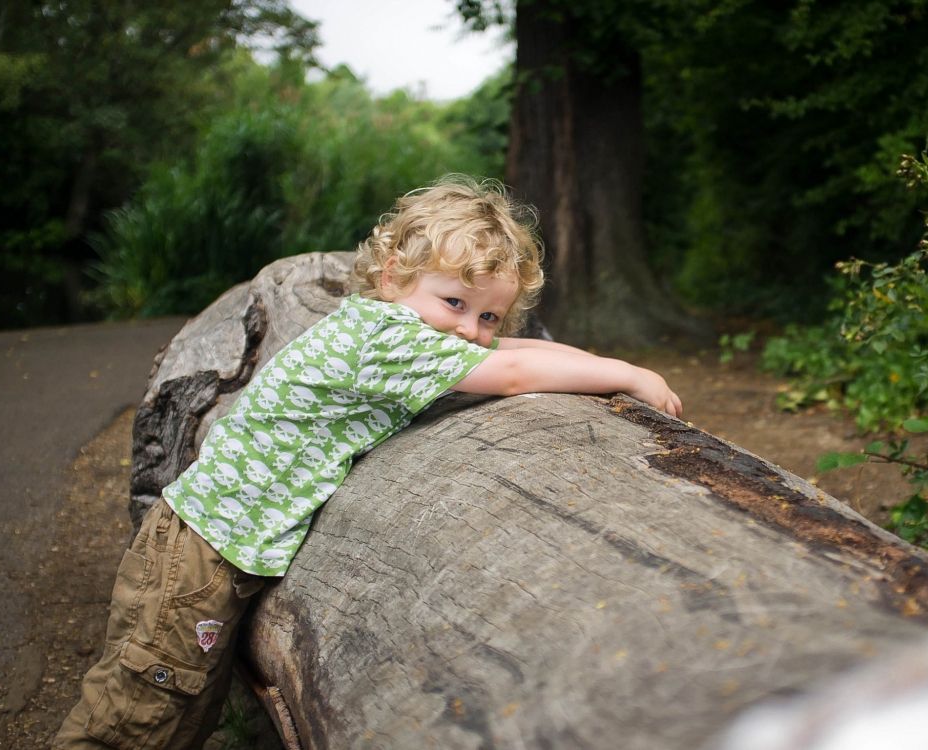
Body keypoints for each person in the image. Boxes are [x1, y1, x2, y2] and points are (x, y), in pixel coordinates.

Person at [54, 175, 681, 749]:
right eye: (454, 303)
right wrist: (628, 373)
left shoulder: (396, 327)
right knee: (134, 716)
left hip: (216, 543)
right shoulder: (386, 341)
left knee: (182, 709)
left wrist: (591, 360)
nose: (469, 330)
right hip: (199, 551)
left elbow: (515, 348)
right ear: (390, 277)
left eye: (487, 314)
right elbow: (515, 370)